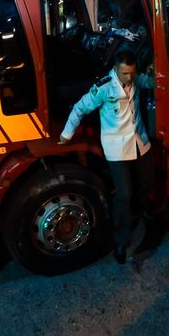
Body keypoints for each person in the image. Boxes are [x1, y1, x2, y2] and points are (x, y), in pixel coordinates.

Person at [59, 50, 155, 264]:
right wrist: (66, 135)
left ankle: (141, 210)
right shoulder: (104, 87)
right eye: (124, 73)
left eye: (132, 73)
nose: (129, 78)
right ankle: (121, 241)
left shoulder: (136, 79)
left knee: (147, 181)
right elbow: (80, 108)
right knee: (123, 195)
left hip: (139, 141)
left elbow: (151, 82)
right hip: (117, 146)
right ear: (115, 69)